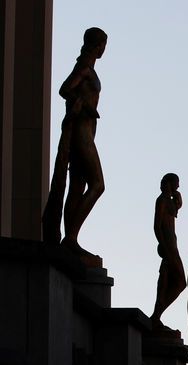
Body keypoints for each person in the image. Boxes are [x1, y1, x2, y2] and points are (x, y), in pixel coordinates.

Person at [41, 27, 107, 265]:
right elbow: (65, 88)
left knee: (77, 186)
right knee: (98, 184)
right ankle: (70, 237)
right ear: (96, 45)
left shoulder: (89, 68)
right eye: (102, 44)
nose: (103, 49)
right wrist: (84, 106)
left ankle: (71, 240)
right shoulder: (85, 68)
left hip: (87, 129)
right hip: (81, 130)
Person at [151, 174, 186, 329]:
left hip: (172, 244)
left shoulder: (169, 201)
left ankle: (157, 314)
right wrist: (163, 245)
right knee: (174, 280)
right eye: (176, 184)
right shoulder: (161, 200)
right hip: (168, 246)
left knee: (175, 281)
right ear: (169, 184)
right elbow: (157, 225)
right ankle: (156, 315)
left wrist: (178, 199)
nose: (178, 187)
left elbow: (176, 209)